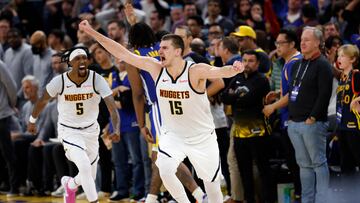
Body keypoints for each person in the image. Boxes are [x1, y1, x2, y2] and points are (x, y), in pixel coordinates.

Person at [79, 19, 244, 203]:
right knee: (164, 168)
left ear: (178, 51)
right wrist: (91, 32)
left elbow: (219, 71)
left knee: (213, 190)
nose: (160, 51)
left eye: (164, 48)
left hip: (202, 136)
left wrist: (234, 69)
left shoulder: (195, 70)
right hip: (174, 134)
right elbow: (122, 53)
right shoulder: (155, 68)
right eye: (160, 47)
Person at [27, 46, 120, 203]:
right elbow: (42, 100)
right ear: (70, 63)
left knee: (89, 175)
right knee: (83, 166)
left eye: (84, 58)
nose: (82, 61)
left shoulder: (96, 79)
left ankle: (70, 184)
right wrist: (32, 120)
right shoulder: (60, 81)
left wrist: (116, 128)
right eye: (77, 59)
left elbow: (112, 107)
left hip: (91, 131)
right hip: (69, 131)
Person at [286, 26, 333, 203]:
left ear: (318, 43)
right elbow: (293, 90)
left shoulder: (323, 64)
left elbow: (324, 94)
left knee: (318, 164)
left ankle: (323, 200)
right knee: (303, 166)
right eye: (302, 39)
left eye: (307, 39)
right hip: (295, 123)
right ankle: (307, 200)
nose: (302, 42)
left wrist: (312, 117)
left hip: (312, 123)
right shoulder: (297, 63)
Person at [262, 28, 302, 200]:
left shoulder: (294, 62)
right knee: (294, 163)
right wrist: (278, 94)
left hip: (295, 119)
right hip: (289, 118)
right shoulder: (288, 62)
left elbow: (295, 93)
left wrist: (273, 106)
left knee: (297, 164)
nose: (277, 46)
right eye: (276, 42)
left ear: (292, 44)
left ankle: (302, 196)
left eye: (281, 43)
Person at [335, 44, 360, 198]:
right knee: (345, 166)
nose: (339, 59)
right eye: (338, 56)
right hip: (342, 126)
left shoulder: (356, 75)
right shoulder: (342, 77)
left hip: (355, 126)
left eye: (343, 56)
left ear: (353, 59)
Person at [0, 59, 19, 196]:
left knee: (7, 153)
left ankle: (15, 186)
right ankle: (4, 183)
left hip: (2, 115)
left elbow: (11, 86)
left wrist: (12, 104)